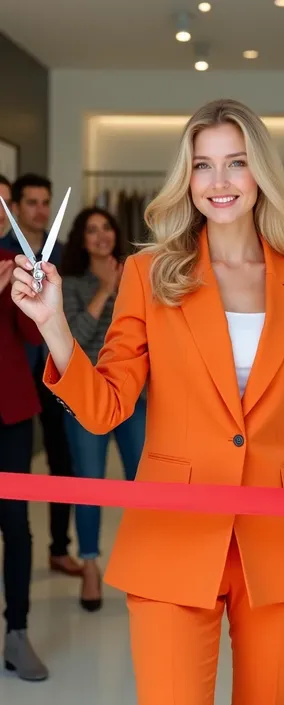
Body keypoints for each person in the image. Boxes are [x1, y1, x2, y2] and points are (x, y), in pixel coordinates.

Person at [11, 98, 284, 705]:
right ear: (188, 178)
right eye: (203, 166)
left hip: (279, 542)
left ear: (261, 173)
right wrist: (53, 327)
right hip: (173, 537)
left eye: (236, 163)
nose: (220, 182)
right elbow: (105, 408)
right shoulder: (150, 273)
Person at [60, 207, 146, 611]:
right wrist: (105, 289)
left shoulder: (137, 275)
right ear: (82, 239)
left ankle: (145, 564)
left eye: (106, 228)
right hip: (87, 399)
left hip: (137, 399)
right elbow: (74, 339)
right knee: (89, 485)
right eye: (91, 230)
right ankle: (91, 566)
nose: (101, 236)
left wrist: (121, 283)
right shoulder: (71, 284)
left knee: (145, 483)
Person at [2, 174, 81, 577]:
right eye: (31, 202)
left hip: (55, 369)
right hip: (15, 375)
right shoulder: (3, 250)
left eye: (45, 202)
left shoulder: (63, 252)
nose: (40, 209)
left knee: (61, 457)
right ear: (15, 207)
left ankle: (59, 547)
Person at [0, 234, 48, 678]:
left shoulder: (9, 261)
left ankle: (17, 632)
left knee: (16, 525)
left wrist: (28, 294)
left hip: (11, 412)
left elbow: (34, 336)